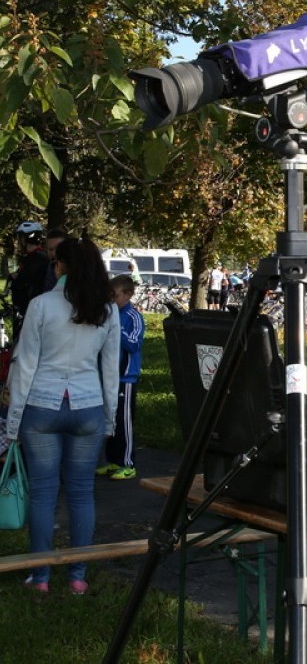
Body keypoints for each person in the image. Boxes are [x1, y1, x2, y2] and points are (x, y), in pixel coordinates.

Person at [6, 238, 119, 594]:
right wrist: (111, 419)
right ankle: (77, 576)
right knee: (82, 493)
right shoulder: (107, 309)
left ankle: (40, 578)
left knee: (42, 494)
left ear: (60, 266)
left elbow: (24, 365)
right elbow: (111, 369)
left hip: (41, 404)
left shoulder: (41, 305)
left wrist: (12, 423)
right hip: (88, 406)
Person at [96, 275, 144, 481]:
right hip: (109, 376)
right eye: (110, 296)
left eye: (115, 296)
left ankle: (127, 463)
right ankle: (114, 460)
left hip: (126, 378)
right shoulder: (109, 313)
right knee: (110, 418)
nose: (112, 300)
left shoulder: (133, 316)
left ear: (128, 294)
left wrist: (118, 330)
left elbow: (134, 344)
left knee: (123, 421)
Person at [9, 221, 49, 338]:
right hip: (26, 312)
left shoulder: (37, 259)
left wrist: (15, 278)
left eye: (21, 238)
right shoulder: (33, 258)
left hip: (30, 315)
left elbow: (21, 281)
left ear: (27, 238)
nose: (19, 242)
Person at [42, 227, 68, 292]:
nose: (54, 253)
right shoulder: (44, 269)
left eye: (58, 248)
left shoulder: (77, 270)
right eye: (50, 249)